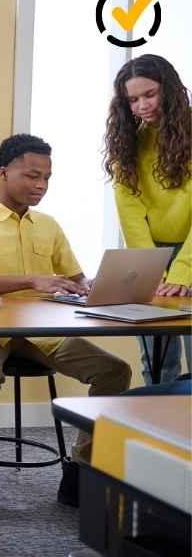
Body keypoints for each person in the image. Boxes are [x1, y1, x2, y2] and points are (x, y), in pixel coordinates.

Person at [0, 134, 132, 507]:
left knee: (115, 371)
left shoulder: (48, 225)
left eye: (47, 177)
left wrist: (93, 285)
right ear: (3, 172)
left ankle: (82, 468)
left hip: (43, 334)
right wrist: (31, 280)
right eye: (32, 176)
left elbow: (77, 278)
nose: (41, 185)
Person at [103, 53, 191, 386]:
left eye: (149, 95)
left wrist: (183, 271)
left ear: (169, 89)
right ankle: (154, 431)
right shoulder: (129, 143)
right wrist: (154, 270)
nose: (141, 105)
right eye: (133, 99)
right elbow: (130, 212)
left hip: (190, 253)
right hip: (152, 254)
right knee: (155, 360)